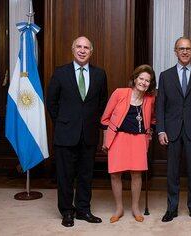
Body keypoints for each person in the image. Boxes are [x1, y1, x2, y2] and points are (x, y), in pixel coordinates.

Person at [46, 36, 108, 227]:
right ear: (73, 50)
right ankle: (67, 211)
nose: (82, 50)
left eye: (86, 47)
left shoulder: (99, 74)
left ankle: (83, 210)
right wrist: (63, 123)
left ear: (91, 51)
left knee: (85, 175)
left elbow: (102, 103)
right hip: (65, 134)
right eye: (79, 47)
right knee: (65, 175)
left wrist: (92, 123)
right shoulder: (60, 73)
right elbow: (51, 102)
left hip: (89, 134)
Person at [156, 37, 191, 222]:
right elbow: (160, 105)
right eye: (181, 48)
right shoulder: (165, 75)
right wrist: (161, 130)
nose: (185, 52)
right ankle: (171, 208)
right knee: (172, 171)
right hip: (171, 130)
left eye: (188, 48)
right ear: (175, 51)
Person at [100, 65, 156, 223]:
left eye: (147, 80)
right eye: (141, 78)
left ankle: (135, 208)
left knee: (136, 174)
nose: (143, 82)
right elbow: (105, 118)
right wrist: (106, 139)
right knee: (115, 174)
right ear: (135, 78)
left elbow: (152, 119)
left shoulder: (150, 99)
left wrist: (149, 131)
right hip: (118, 138)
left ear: (150, 84)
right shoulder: (120, 93)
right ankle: (119, 208)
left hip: (138, 140)